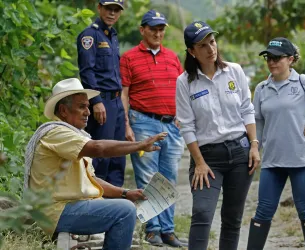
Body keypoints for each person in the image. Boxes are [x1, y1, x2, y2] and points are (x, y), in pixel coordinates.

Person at [24, 78, 167, 250]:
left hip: (66, 208)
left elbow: (90, 179)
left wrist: (125, 193)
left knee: (125, 207)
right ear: (63, 110)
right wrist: (139, 145)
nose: (88, 112)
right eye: (81, 107)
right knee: (125, 211)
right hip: (55, 212)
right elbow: (99, 148)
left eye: (88, 106)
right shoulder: (56, 132)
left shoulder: (74, 136)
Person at [246, 37, 305, 250]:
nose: (271, 62)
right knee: (263, 212)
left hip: (302, 160)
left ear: (290, 59)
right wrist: (255, 147)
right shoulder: (262, 88)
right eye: (268, 58)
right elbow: (258, 121)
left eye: (277, 58)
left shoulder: (304, 82)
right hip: (272, 161)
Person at [176, 21, 260, 250]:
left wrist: (254, 145)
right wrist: (200, 163)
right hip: (207, 157)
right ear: (192, 52)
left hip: (240, 153)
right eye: (203, 45)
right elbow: (186, 125)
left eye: (212, 42)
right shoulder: (184, 82)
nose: (210, 49)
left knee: (232, 219)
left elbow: (247, 110)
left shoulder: (235, 71)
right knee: (202, 213)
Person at [119, 10, 186, 247]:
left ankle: (168, 231)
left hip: (171, 124)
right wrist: (126, 123)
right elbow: (124, 94)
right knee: (148, 178)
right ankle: (152, 229)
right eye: (153, 29)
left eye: (161, 29)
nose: (158, 33)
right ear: (142, 30)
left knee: (168, 178)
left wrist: (182, 118)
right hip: (143, 121)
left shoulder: (172, 57)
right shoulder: (128, 57)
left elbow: (182, 90)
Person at [77, 0, 126, 187]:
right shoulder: (90, 35)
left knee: (118, 156)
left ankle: (117, 202)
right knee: (101, 156)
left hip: (116, 101)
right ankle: (98, 204)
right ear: (99, 8)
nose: (112, 13)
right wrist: (96, 101)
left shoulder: (113, 36)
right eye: (108, 9)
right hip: (102, 101)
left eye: (116, 10)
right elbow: (87, 71)